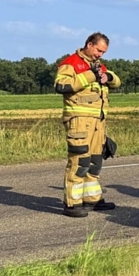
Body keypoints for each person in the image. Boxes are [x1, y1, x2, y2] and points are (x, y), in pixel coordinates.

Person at [54, 33, 121, 216]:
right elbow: (61, 86)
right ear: (89, 44)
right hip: (79, 121)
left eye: (103, 52)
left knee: (95, 162)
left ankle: (92, 199)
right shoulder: (71, 63)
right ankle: (72, 204)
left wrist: (107, 76)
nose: (100, 55)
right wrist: (90, 76)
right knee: (79, 162)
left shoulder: (97, 64)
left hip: (98, 122)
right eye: (98, 50)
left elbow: (117, 81)